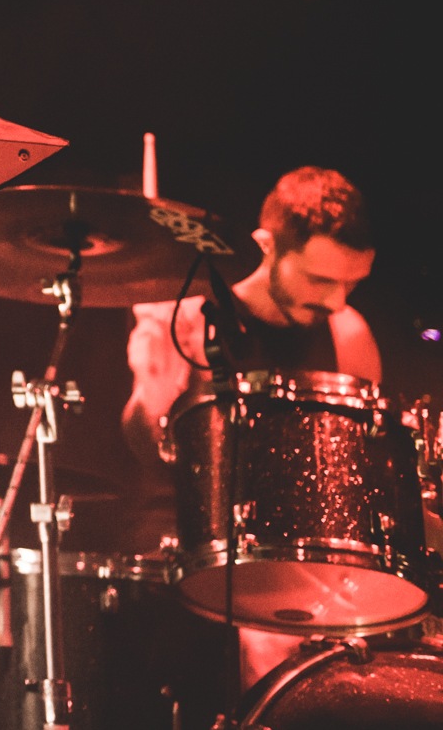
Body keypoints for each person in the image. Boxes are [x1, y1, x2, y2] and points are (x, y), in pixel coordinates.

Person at [122, 165, 379, 686]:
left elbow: (360, 476)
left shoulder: (348, 333)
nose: (336, 300)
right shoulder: (190, 316)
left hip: (304, 563)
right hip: (187, 550)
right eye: (320, 280)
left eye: (352, 283)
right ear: (266, 246)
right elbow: (148, 446)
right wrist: (153, 387)